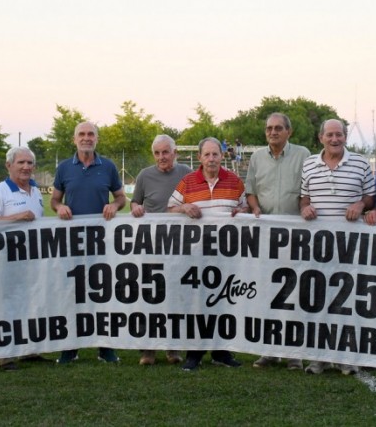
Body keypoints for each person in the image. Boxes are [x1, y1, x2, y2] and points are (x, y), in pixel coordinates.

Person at [300, 119, 376, 375]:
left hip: (350, 245)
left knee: (347, 302)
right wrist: (305, 208)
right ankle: (318, 357)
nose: (335, 139)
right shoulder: (309, 163)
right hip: (317, 245)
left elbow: (370, 195)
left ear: (346, 137)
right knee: (318, 301)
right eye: (330, 135)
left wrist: (361, 205)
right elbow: (303, 197)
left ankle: (346, 357)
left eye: (340, 134)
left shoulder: (360, 163)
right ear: (321, 137)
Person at [168, 137, 247, 371]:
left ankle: (221, 352)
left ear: (222, 156)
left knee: (222, 302)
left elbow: (245, 207)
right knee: (197, 303)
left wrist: (240, 211)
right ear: (200, 157)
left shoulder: (233, 180)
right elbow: (169, 209)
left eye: (215, 154)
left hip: (226, 255)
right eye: (207, 155)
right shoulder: (188, 181)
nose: (211, 159)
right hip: (195, 255)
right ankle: (194, 353)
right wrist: (183, 207)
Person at [51, 121, 127, 365]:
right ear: (74, 140)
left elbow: (121, 197)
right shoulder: (64, 168)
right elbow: (54, 200)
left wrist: (114, 206)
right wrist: (59, 207)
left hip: (102, 241)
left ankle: (105, 347)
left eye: (90, 134)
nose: (86, 138)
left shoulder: (108, 166)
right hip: (72, 241)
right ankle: (69, 347)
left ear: (97, 139)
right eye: (81, 134)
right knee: (72, 293)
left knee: (103, 293)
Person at [246, 113, 311, 371]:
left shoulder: (303, 155)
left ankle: (294, 353)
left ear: (289, 132)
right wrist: (254, 209)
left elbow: (309, 190)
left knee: (292, 294)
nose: (273, 132)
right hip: (264, 238)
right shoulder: (256, 158)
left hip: (295, 237)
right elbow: (250, 191)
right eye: (269, 129)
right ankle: (269, 351)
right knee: (265, 293)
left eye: (278, 128)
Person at [129, 134, 191, 366]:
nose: (161, 157)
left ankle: (173, 348)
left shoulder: (186, 173)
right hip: (151, 245)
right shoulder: (145, 175)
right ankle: (148, 350)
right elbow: (135, 201)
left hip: (180, 246)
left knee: (175, 295)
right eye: (157, 153)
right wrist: (135, 208)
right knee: (150, 296)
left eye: (166, 152)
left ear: (174, 153)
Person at [0, 146, 46, 371]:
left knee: (30, 301)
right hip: (5, 259)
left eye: (30, 163)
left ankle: (30, 350)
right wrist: (17, 216)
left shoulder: (36, 191)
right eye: (21, 163)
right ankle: (5, 355)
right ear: (9, 165)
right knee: (7, 305)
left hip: (31, 258)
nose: (26, 167)